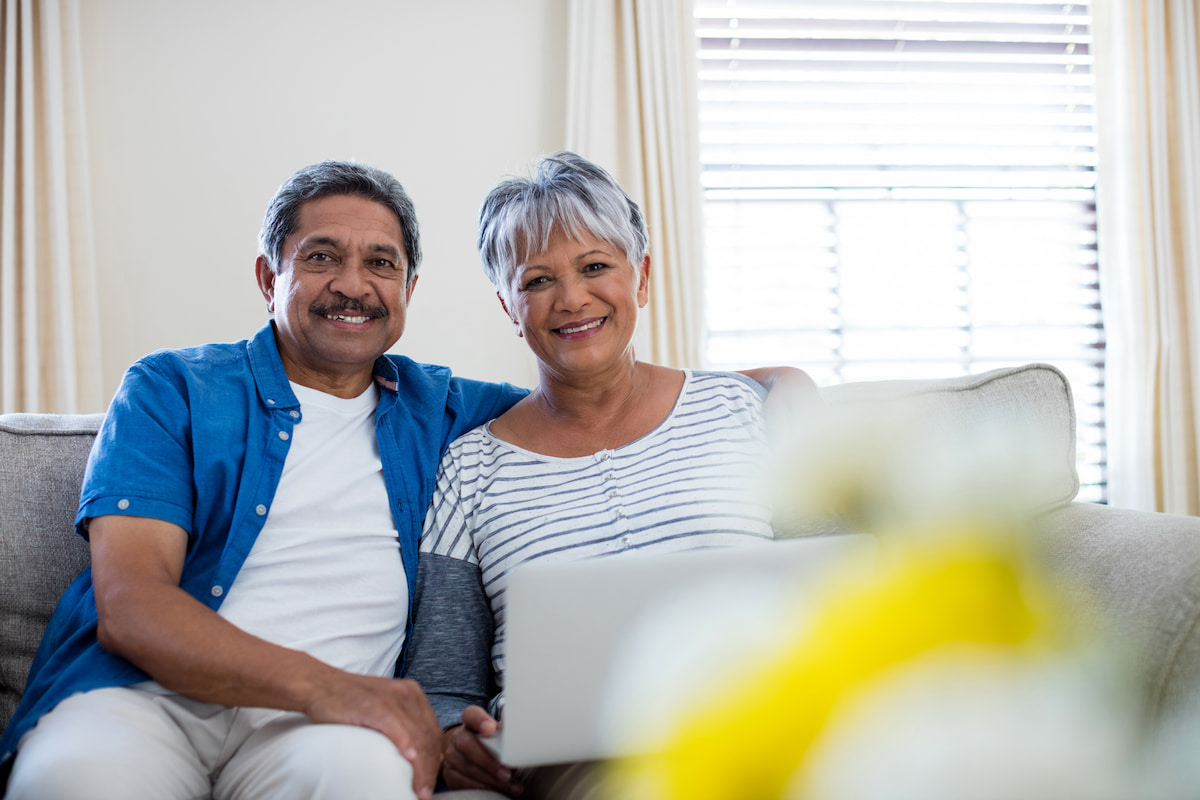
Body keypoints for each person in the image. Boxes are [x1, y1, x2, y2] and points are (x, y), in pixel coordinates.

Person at [0, 161, 528, 800]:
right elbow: (132, 606)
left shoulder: (446, 408)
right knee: (79, 781)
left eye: (382, 264)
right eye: (321, 256)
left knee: (368, 779)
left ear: (409, 288)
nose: (353, 285)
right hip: (141, 701)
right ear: (267, 277)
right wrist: (335, 686)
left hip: (323, 731)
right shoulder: (173, 389)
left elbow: (585, 405)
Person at [404, 152, 819, 798]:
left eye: (595, 267)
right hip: (587, 762)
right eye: (537, 280)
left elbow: (841, 587)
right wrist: (458, 734)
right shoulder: (469, 469)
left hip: (756, 723)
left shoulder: (743, 411)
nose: (571, 299)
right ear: (509, 306)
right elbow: (444, 685)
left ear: (642, 277)